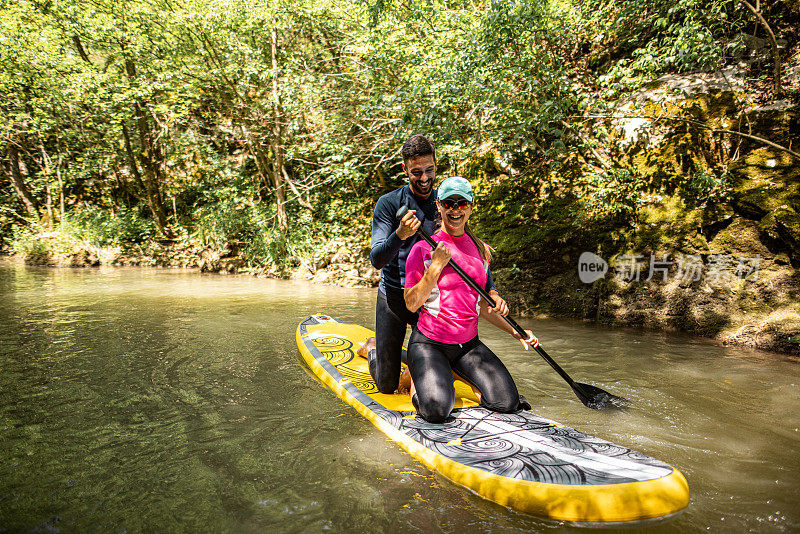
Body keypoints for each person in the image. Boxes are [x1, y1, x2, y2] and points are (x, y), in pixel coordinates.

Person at [360, 134, 508, 395]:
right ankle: (375, 348)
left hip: (431, 301)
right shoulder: (389, 204)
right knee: (387, 386)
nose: (425, 178)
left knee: (442, 347)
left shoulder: (447, 201)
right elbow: (377, 260)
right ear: (405, 169)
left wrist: (492, 289)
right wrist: (400, 235)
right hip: (395, 297)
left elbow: (470, 247)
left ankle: (442, 368)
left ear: (436, 166)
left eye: (429, 170)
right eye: (416, 172)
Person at [403, 176, 537, 423]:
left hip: (467, 346)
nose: (455, 210)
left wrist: (515, 332)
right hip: (429, 344)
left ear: (471, 207)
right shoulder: (422, 249)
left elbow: (485, 307)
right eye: (449, 203)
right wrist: (435, 267)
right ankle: (416, 373)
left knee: (506, 403)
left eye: (462, 204)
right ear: (439, 205)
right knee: (436, 411)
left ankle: (451, 373)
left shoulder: (480, 249)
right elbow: (411, 303)